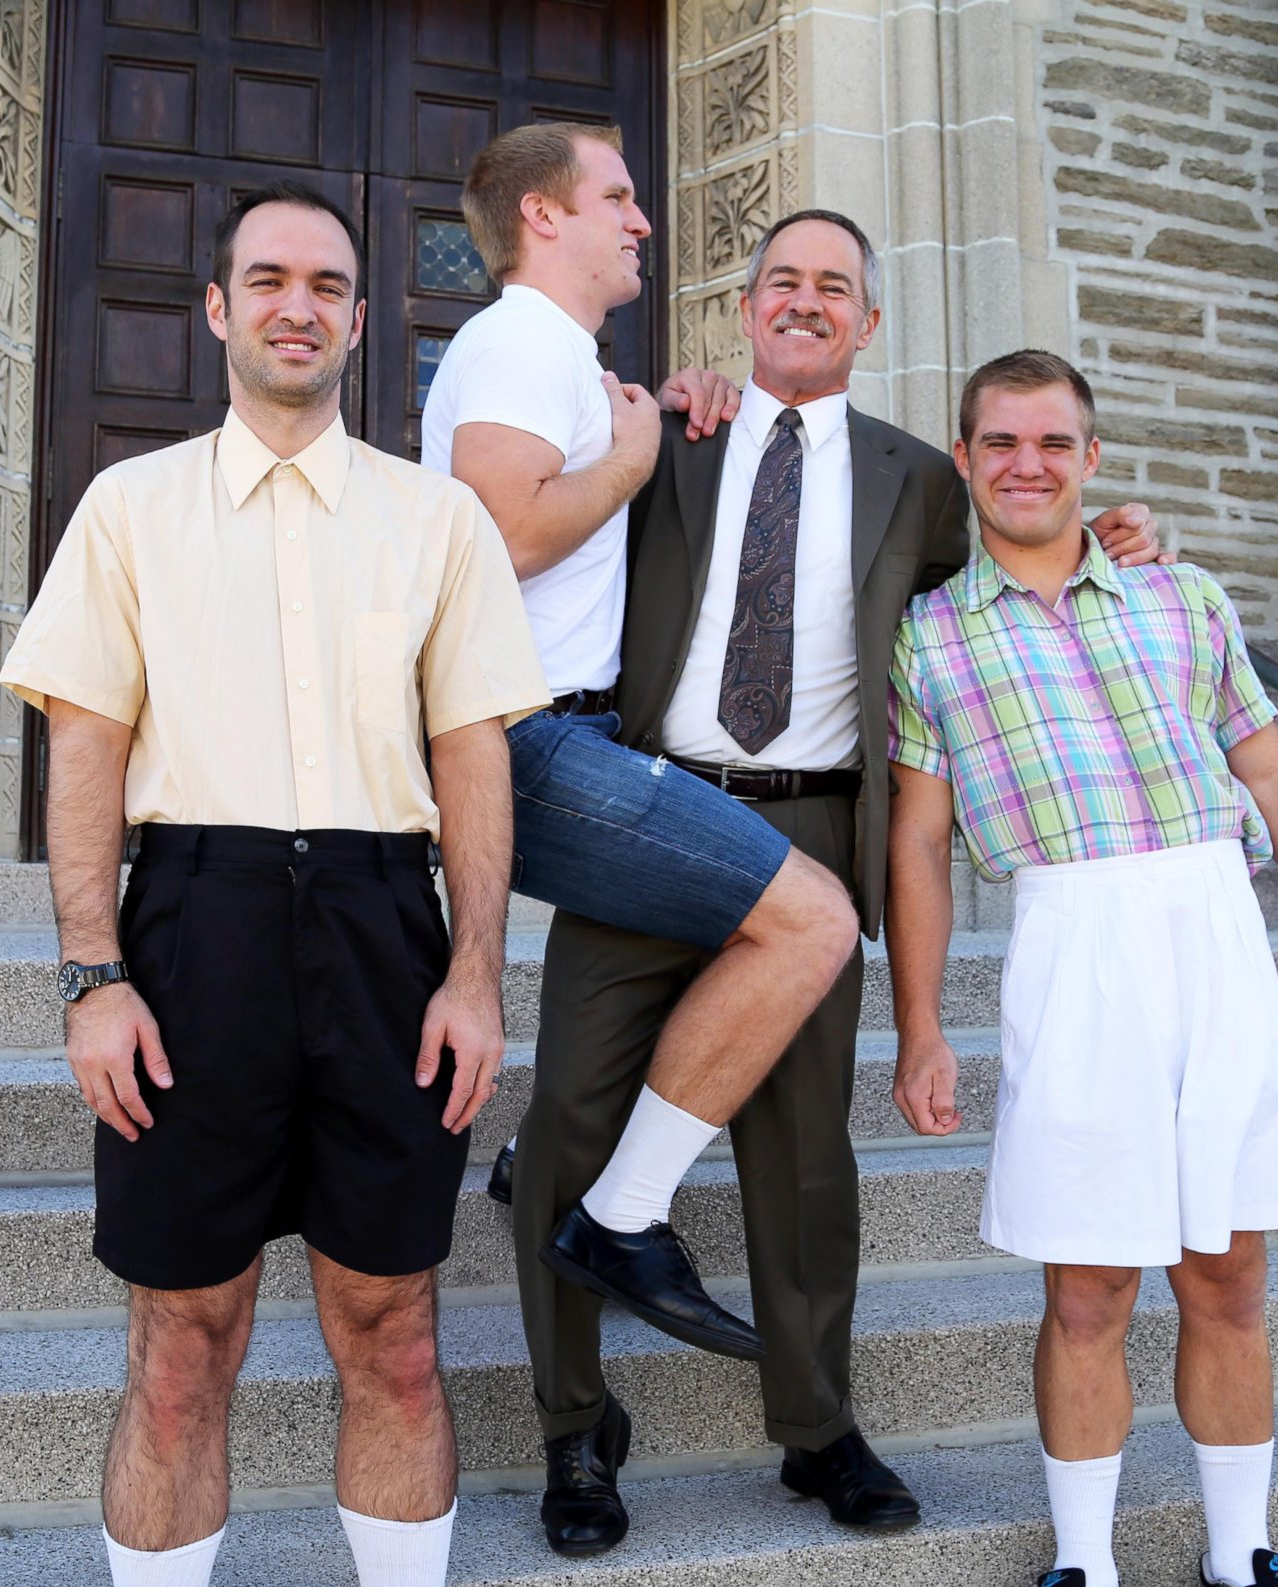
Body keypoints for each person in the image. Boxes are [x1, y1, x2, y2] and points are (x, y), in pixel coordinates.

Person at [478, 189, 1166, 1554]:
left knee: (803, 1157)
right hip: (653, 813)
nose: (804, 300)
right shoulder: (669, 435)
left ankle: (818, 1426)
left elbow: (1021, 561)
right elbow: (531, 524)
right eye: (780, 279)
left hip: (809, 840)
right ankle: (574, 1430)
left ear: (868, 319)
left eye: (833, 286)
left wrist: (1123, 538)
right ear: (743, 308)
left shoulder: (920, 476)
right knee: (566, 1124)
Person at [0, 183, 548, 1587]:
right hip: (195, 928)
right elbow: (87, 749)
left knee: (399, 1325)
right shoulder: (131, 508)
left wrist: (478, 971)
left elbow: (472, 752)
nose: (296, 304)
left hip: (384, 930)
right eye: (267, 279)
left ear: (361, 319)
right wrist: (90, 973)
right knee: (184, 1340)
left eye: (325, 284)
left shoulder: (438, 521)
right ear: (218, 309)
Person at [887, 349, 1278, 1587]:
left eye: (1055, 444)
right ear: (965, 458)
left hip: (1212, 928)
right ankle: (1087, 1563)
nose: (1029, 465)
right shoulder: (932, 637)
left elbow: (1275, 771)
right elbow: (917, 840)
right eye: (1002, 443)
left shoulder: (1181, 598)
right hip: (1072, 945)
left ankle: (1243, 1553)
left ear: (1093, 458)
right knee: (1088, 1287)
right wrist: (920, 1020)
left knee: (1228, 1271)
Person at [425, 124, 858, 1379]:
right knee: (815, 924)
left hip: (571, 730)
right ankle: (620, 1217)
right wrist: (629, 457)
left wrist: (655, 419)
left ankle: (542, 1167)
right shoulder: (517, 338)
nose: (642, 220)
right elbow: (503, 533)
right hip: (524, 743)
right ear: (542, 217)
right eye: (617, 196)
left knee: (718, 931)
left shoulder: (560, 354)